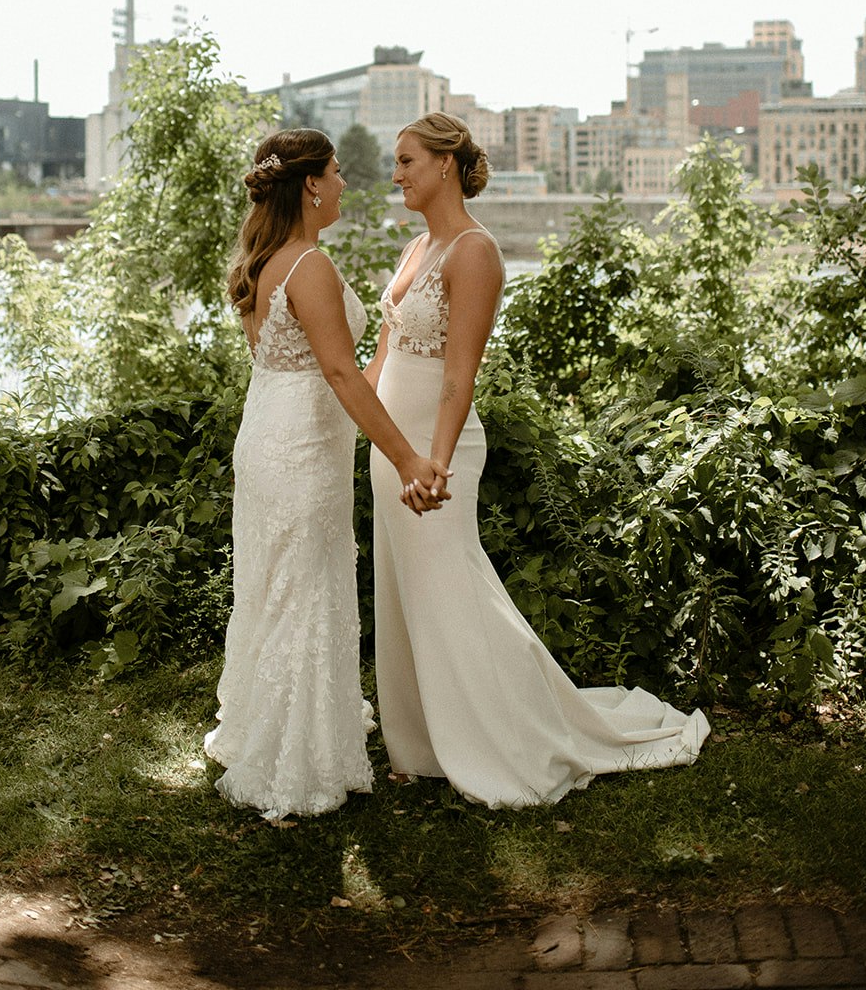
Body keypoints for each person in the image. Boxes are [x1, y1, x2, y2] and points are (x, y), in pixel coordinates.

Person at [365, 112, 709, 808]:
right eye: (394, 162)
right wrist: (364, 433)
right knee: (406, 596)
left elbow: (460, 375)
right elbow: (382, 357)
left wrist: (432, 461)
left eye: (405, 160)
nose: (395, 173)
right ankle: (423, 743)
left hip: (438, 451)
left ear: (446, 164)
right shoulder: (411, 250)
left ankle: (497, 738)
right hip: (392, 449)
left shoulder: (475, 251)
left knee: (455, 595)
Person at [204, 128, 450, 821]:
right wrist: (407, 457)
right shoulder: (307, 265)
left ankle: (271, 728)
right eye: (338, 174)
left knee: (274, 588)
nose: (345, 184)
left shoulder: (269, 261)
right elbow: (339, 374)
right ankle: (296, 760)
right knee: (303, 589)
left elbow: (330, 368)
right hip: (302, 449)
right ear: (311, 185)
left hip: (271, 436)